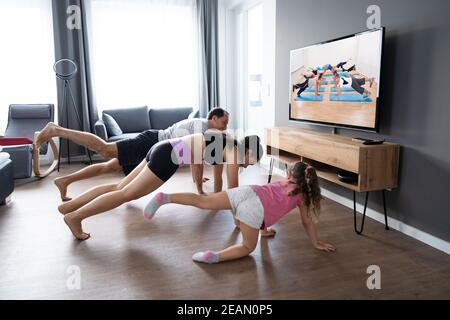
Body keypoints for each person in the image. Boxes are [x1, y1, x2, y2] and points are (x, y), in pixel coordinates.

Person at [58, 132, 264, 241]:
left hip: (162, 148)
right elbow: (235, 194)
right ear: (249, 152)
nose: (247, 165)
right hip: (168, 157)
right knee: (125, 194)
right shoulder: (235, 152)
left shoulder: (223, 140)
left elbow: (197, 159)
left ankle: (70, 207)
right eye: (251, 161)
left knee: (118, 187)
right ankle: (75, 217)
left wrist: (200, 190)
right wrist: (240, 222)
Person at [144, 161, 336, 264]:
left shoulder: (282, 181)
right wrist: (315, 242)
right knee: (247, 247)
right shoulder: (302, 197)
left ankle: (165, 197)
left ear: (289, 175)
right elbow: (306, 222)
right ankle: (214, 257)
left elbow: (270, 200)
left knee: (204, 201)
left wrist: (263, 229)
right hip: (253, 210)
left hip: (247, 191)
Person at [35, 107, 229, 201]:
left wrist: (199, 185)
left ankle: (65, 181)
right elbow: (197, 161)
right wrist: (202, 192)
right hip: (152, 142)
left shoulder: (204, 128)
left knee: (109, 166)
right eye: (223, 122)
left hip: (154, 147)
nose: (225, 127)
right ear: (213, 118)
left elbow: (196, 160)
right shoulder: (203, 127)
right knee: (105, 149)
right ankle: (56, 130)